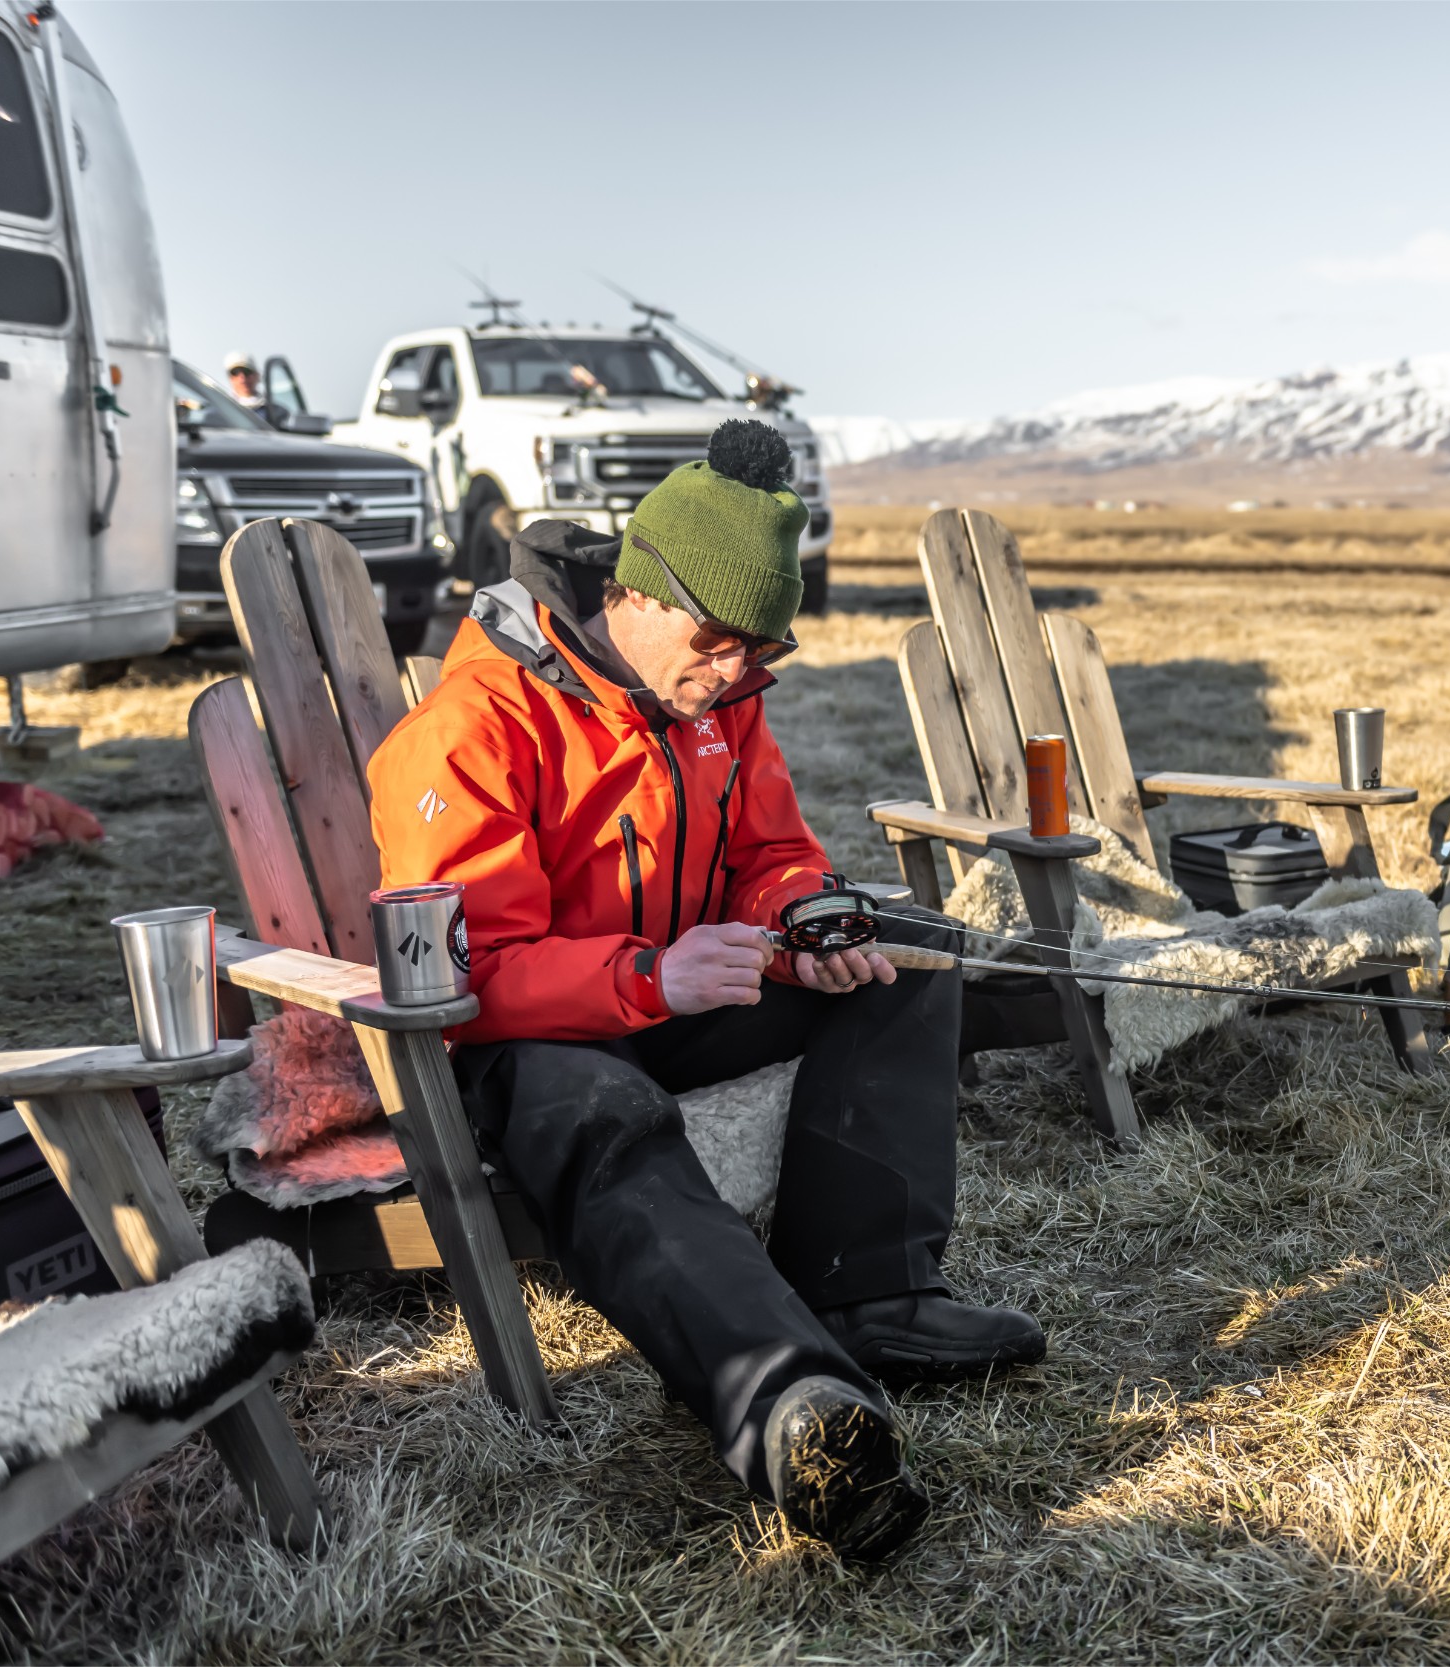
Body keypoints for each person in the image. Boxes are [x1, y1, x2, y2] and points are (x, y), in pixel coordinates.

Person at [367, 418, 1041, 1563]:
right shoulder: (477, 725)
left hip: (678, 984)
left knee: (908, 954)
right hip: (529, 1029)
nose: (734, 672)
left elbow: (770, 852)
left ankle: (868, 1293)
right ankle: (791, 1407)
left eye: (758, 650)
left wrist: (803, 918)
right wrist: (647, 978)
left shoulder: (717, 698)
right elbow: (470, 970)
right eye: (718, 639)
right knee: (609, 1115)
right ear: (638, 591)